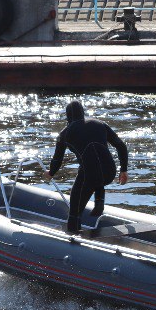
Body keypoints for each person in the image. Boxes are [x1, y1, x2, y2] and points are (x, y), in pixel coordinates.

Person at [47, 101, 129, 235]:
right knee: (92, 170)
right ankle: (99, 200)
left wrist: (50, 172)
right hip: (110, 172)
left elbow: (57, 160)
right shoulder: (100, 124)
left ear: (68, 117)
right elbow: (121, 146)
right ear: (82, 113)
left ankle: (73, 239)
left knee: (75, 210)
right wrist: (124, 170)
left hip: (90, 176)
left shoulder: (64, 134)